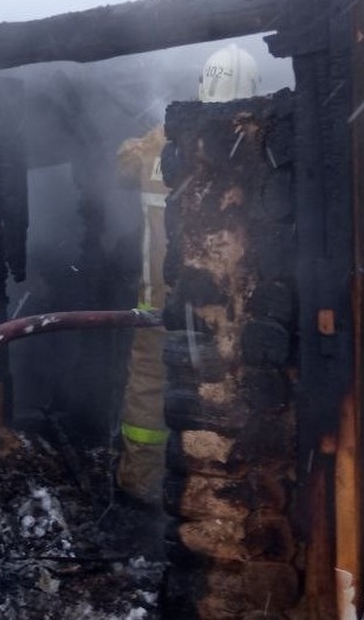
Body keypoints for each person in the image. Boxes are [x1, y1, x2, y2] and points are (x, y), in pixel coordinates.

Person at [114, 43, 260, 506]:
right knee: (214, 390)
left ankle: (142, 482)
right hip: (215, 306)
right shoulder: (250, 148)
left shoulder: (159, 143)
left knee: (148, 390)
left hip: (153, 300)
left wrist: (152, 140)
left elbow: (121, 168)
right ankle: (205, 492)